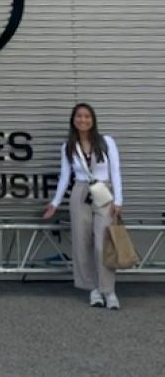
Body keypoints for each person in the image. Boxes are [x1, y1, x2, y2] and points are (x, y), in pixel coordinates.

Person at [43, 103, 123, 309]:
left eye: (87, 116)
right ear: (73, 120)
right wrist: (55, 202)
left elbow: (115, 171)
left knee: (102, 245)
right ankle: (93, 289)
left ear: (93, 119)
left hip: (103, 193)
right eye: (79, 116)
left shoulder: (107, 142)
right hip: (80, 193)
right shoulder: (68, 146)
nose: (83, 120)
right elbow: (64, 177)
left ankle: (109, 291)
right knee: (82, 244)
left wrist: (119, 200)